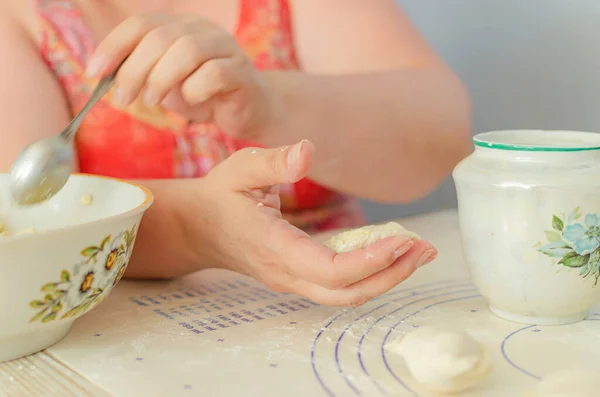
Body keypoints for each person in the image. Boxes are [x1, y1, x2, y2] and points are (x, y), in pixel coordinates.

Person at [0, 0, 471, 306]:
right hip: (117, 334)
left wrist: (267, 101)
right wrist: (198, 228)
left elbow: (441, 140)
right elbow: (23, 230)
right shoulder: (19, 16)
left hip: (344, 313)